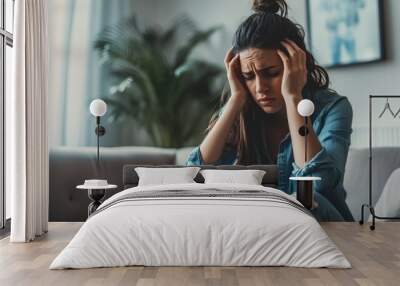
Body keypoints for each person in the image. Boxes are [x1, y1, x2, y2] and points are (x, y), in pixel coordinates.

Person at [186, 0, 354, 222]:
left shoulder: (333, 108)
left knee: (306, 201)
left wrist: (293, 96)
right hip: (260, 228)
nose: (259, 87)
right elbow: (193, 176)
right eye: (248, 76)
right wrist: (236, 98)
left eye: (271, 72)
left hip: (323, 225)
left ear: (297, 65)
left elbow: (318, 183)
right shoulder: (242, 108)